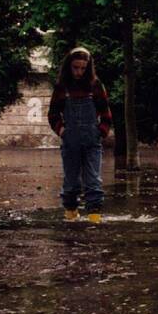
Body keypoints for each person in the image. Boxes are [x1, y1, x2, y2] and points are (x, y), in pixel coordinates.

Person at [48, 48, 112, 223]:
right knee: (71, 184)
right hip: (71, 140)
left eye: (83, 68)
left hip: (92, 140)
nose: (79, 72)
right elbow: (53, 114)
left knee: (93, 182)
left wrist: (101, 132)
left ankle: (94, 221)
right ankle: (71, 218)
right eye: (75, 68)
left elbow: (106, 113)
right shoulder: (62, 87)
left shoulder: (95, 85)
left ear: (88, 67)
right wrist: (62, 131)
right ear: (69, 66)